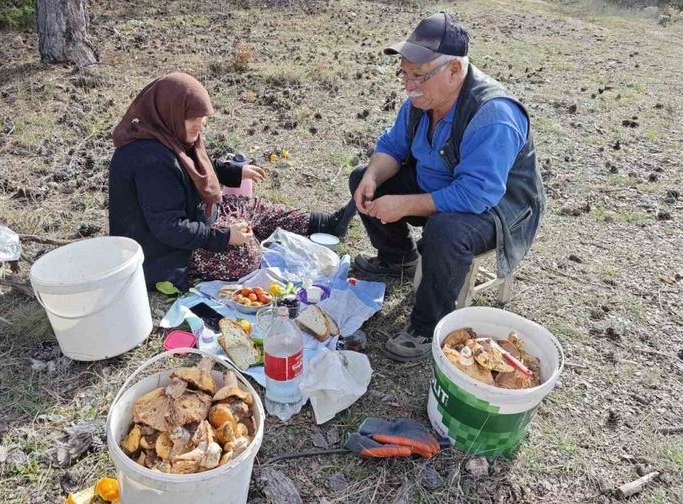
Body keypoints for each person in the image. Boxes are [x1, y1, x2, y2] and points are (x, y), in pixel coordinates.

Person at [349, 12, 546, 361]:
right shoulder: (421, 100)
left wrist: (403, 205)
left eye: (419, 76)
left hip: (496, 209)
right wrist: (372, 177)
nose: (409, 85)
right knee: (362, 177)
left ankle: (428, 327)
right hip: (441, 183)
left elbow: (475, 194)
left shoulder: (493, 115)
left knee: (446, 229)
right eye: (404, 74)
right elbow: (392, 146)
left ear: (454, 70)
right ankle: (398, 259)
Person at [109, 72, 354, 290]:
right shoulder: (150, 161)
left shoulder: (168, 133)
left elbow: (192, 170)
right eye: (193, 120)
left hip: (197, 217)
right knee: (245, 256)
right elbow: (169, 228)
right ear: (170, 111)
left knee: (254, 207)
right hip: (164, 252)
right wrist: (224, 237)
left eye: (202, 120)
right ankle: (240, 234)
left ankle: (328, 225)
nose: (199, 127)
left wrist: (235, 172)